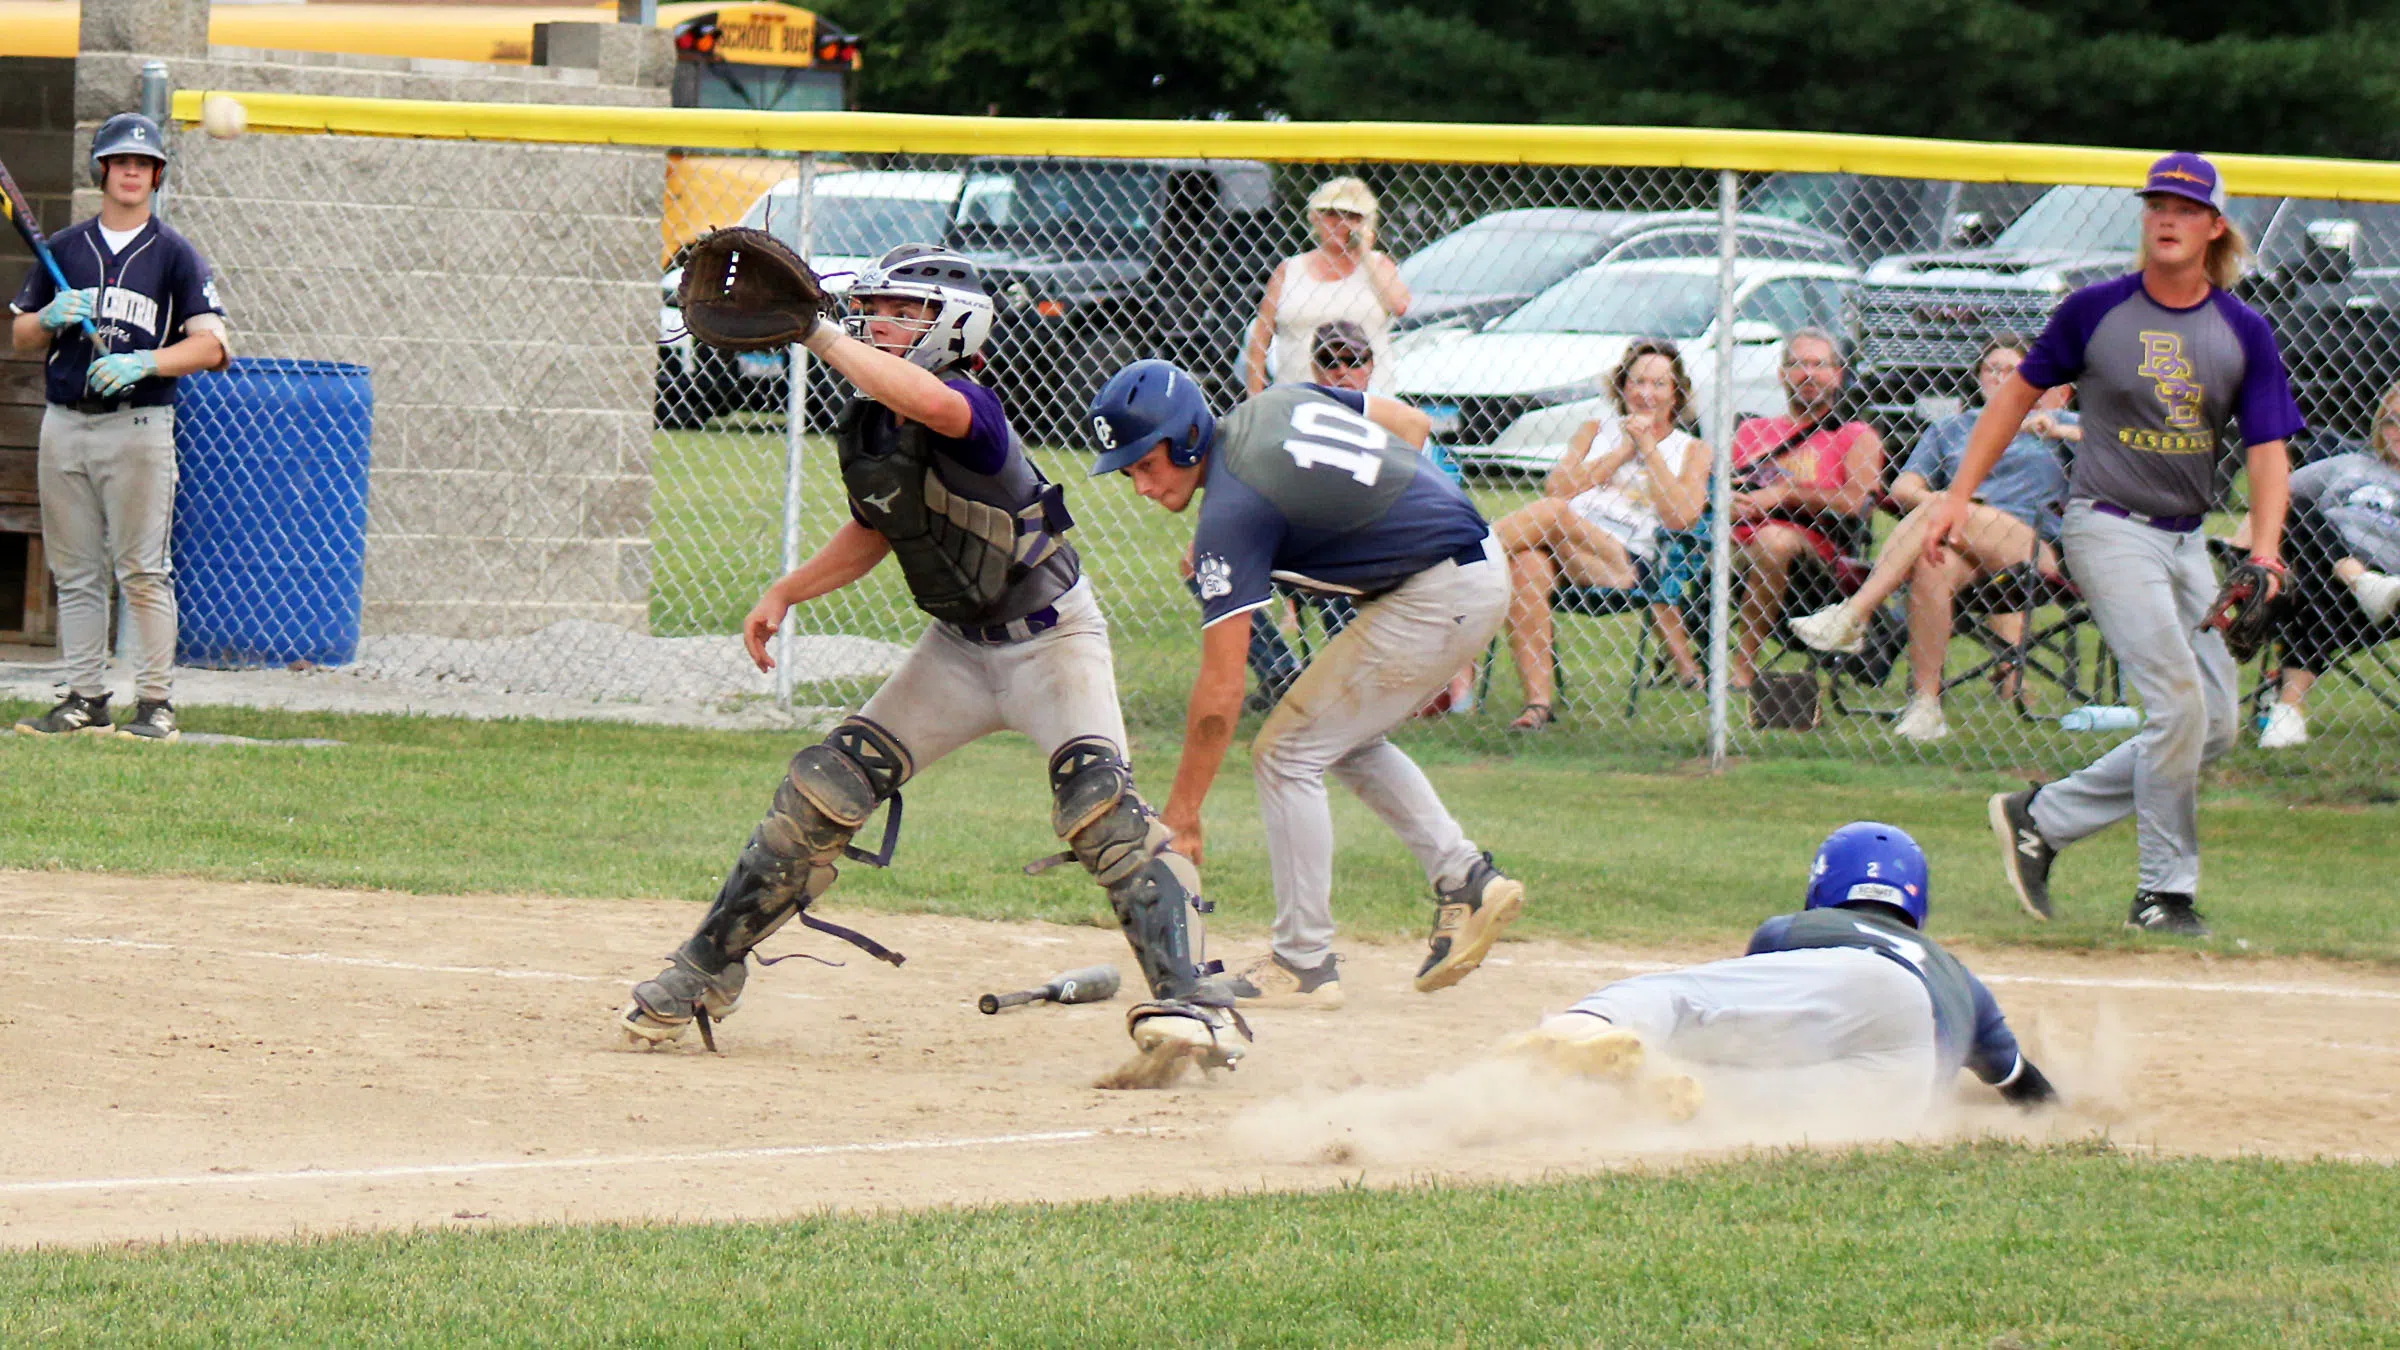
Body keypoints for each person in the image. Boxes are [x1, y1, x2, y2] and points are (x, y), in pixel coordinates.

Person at [621, 245, 1244, 1080]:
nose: (879, 324)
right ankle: (704, 971)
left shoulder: (970, 407)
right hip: (957, 649)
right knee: (823, 790)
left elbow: (932, 406)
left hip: (1051, 640)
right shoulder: (873, 423)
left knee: (1101, 808)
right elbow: (876, 528)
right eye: (874, 310)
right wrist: (787, 591)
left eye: (903, 313)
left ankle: (1193, 1002)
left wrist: (820, 335)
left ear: (954, 327)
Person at [1089, 359, 1521, 1012]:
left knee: (1286, 752)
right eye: (1128, 472)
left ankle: (1302, 959)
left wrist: (1183, 810)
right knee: (1337, 739)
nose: (1140, 485)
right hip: (1469, 563)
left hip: (1436, 591)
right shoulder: (1274, 404)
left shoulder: (1230, 516)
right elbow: (1409, 424)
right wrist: (1376, 520)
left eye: (1146, 464)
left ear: (1185, 440)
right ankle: (1465, 878)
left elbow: (1222, 685)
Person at [1949, 153, 2302, 937]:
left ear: (2214, 227)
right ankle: (2162, 894)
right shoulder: (2097, 310)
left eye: (2184, 208)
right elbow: (2017, 394)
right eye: (2155, 205)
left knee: (2213, 726)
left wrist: (2268, 550)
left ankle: (2044, 817)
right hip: (2106, 525)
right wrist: (1957, 494)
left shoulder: (2242, 329)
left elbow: (2269, 447)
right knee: (2177, 706)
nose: (2166, 218)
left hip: (2185, 542)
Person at [1508, 822, 2058, 1123]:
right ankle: (1676, 1094)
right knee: (1748, 1101)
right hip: (1905, 1094)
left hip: (1869, 982)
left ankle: (1578, 1030)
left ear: (1824, 885)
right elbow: (2022, 1084)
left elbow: (1755, 1031)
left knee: (1678, 1002)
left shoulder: (1794, 928)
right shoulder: (1960, 977)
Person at [9, 112, 230, 742]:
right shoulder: (66, 249)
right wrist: (52, 314)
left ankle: (155, 704)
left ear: (157, 176)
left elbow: (213, 347)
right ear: (101, 170)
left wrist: (147, 361)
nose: (132, 171)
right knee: (75, 572)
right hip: (65, 424)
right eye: (121, 161)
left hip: (138, 424)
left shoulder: (174, 254)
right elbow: (22, 332)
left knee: (141, 569)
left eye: (144, 164)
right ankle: (84, 697)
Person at [1790, 335, 2077, 742]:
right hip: (1956, 538)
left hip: (2029, 546)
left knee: (1940, 512)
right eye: (1990, 369)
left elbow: (2118, 445)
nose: (1999, 377)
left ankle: (1854, 614)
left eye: (2011, 370)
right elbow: (1904, 488)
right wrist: (1940, 500)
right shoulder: (1951, 429)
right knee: (1930, 561)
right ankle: (1926, 706)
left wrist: (2060, 431)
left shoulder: (2057, 422)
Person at [1493, 339, 1711, 731]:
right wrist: (1622, 452)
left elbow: (1681, 517)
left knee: (1555, 516)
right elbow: (1558, 487)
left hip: (1627, 563)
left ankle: (1457, 556)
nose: (1646, 393)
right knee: (1527, 563)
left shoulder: (1692, 449)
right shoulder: (1595, 431)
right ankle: (1537, 706)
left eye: (1659, 384)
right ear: (1622, 386)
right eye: (1638, 381)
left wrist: (1650, 449)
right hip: (1565, 550)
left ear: (1676, 394)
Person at [1726, 329, 1886, 690]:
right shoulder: (1752, 431)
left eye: (1819, 365)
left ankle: (1743, 668)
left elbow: (1856, 501)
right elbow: (1728, 491)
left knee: (1775, 542)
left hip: (1815, 561)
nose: (1808, 374)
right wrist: (1731, 503)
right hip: (1737, 549)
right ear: (1782, 374)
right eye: (1798, 364)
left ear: (1838, 374)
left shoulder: (1855, 435)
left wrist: (1784, 495)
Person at [2245, 378, 2400, 747]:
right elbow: (2272, 495)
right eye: (2391, 420)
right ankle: (2357, 580)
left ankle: (2288, 708)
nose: (2398, 430)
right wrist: (2240, 549)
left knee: (2314, 595)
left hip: (2390, 585)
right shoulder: (2349, 464)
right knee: (2287, 501)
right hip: (2320, 566)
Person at [1245, 177, 1410, 397]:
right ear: (1315, 218)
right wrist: (1255, 399)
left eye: (1352, 217)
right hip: (1298, 397)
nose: (1341, 223)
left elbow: (1399, 306)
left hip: (1367, 400)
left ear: (1366, 223)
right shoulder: (1289, 270)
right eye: (1331, 214)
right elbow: (1259, 341)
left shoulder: (1378, 266)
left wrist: (1364, 255)